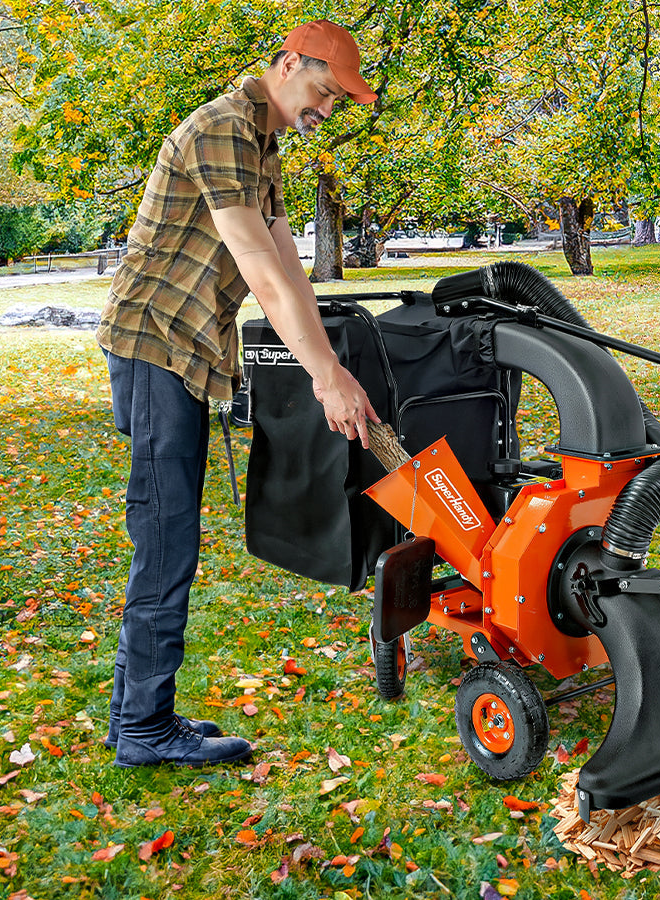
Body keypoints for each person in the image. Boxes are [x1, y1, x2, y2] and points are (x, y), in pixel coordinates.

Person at [96, 19, 380, 768]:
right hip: (155, 346)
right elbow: (255, 263)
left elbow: (288, 266)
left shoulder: (262, 141)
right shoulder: (221, 127)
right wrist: (324, 376)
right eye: (323, 89)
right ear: (289, 64)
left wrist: (333, 362)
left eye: (337, 101)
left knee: (166, 539)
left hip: (182, 351)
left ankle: (136, 718)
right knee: (165, 543)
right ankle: (145, 729)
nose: (326, 108)